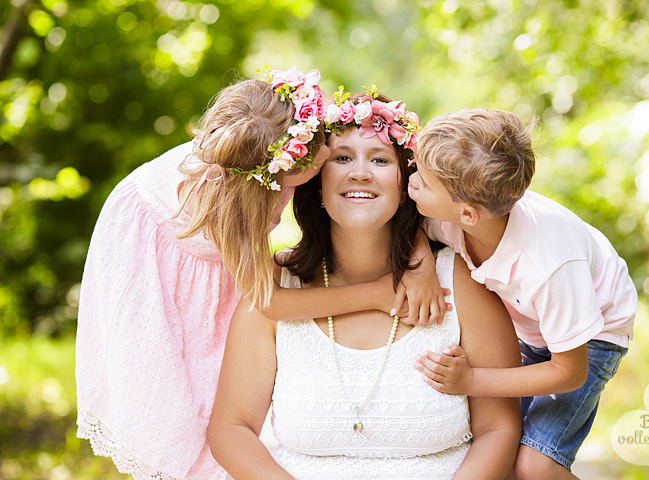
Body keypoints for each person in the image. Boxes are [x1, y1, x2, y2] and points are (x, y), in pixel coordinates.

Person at [75, 68, 444, 480]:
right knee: (177, 417)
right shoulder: (225, 197)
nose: (340, 171)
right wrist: (375, 294)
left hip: (215, 285)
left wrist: (420, 253)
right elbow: (269, 302)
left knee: (223, 398)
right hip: (159, 286)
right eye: (290, 188)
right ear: (269, 179)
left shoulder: (273, 142)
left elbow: (385, 199)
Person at [208, 92, 522, 480]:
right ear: (315, 180)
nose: (360, 172)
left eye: (379, 159)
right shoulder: (275, 287)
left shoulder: (459, 281)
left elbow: (499, 429)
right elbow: (231, 429)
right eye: (342, 157)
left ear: (409, 182)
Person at [409, 108, 638, 479]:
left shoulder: (548, 266)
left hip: (594, 332)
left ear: (468, 215)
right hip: (534, 325)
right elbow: (409, 227)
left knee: (535, 466)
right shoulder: (449, 215)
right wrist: (420, 268)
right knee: (496, 450)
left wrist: (471, 380)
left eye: (423, 179)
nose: (411, 182)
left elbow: (568, 372)